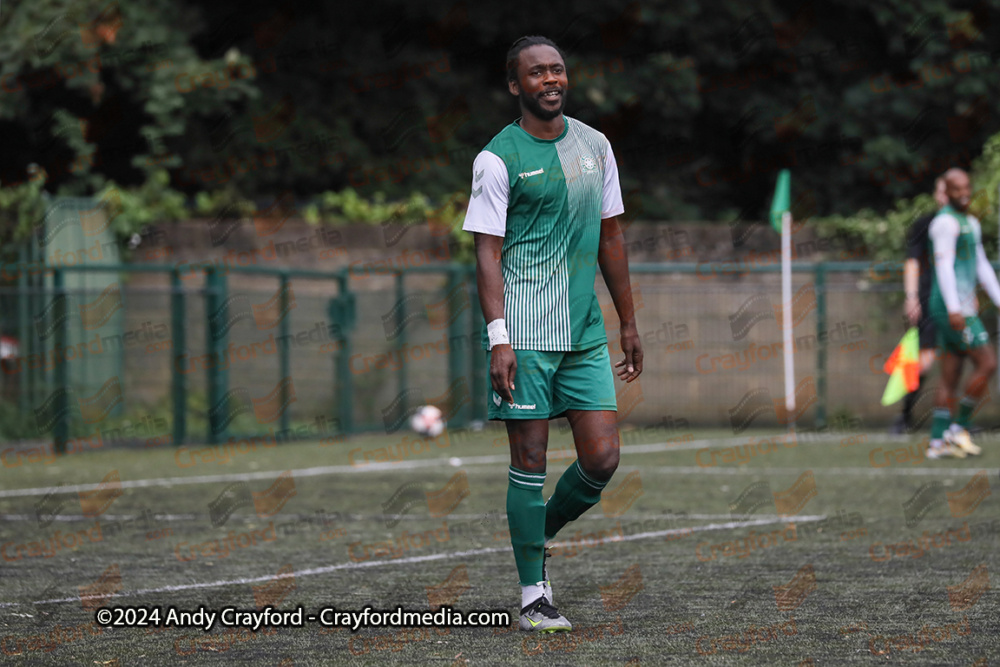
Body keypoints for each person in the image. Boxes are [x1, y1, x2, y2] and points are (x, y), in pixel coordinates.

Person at [462, 35, 643, 632]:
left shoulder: (596, 146)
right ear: (516, 85)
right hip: (525, 332)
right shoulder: (497, 158)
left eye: (557, 70)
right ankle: (534, 592)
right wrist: (498, 337)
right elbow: (487, 253)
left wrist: (629, 321)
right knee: (531, 460)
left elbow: (612, 236)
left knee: (603, 457)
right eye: (536, 73)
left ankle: (534, 534)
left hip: (586, 330)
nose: (550, 80)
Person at [926, 168, 994, 458]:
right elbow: (943, 267)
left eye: (967, 187)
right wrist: (955, 308)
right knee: (988, 363)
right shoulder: (944, 223)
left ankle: (937, 442)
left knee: (951, 373)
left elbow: (981, 265)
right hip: (951, 306)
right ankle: (958, 429)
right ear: (947, 191)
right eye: (957, 188)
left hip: (960, 306)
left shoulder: (970, 223)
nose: (963, 193)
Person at [891, 177, 948, 434]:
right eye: (942, 190)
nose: (946, 195)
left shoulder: (967, 225)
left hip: (958, 303)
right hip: (930, 300)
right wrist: (912, 296)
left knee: (961, 359)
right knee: (924, 362)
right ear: (936, 194)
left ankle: (958, 422)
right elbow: (912, 262)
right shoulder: (925, 224)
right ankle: (904, 416)